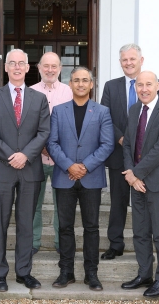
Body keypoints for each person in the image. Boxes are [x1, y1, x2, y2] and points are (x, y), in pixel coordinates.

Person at [0, 49, 50, 292]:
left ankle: (24, 272)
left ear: (28, 67)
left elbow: (44, 132)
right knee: (0, 224)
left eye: (21, 63)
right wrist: (12, 156)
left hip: (30, 170)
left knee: (25, 223)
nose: (17, 67)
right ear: (5, 67)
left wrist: (26, 155)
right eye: (12, 63)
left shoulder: (39, 98)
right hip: (1, 170)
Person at [46, 67, 114, 291]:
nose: (81, 84)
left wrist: (84, 166)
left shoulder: (102, 111)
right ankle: (66, 272)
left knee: (91, 227)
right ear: (70, 84)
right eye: (76, 80)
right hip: (64, 176)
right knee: (65, 227)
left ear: (92, 84)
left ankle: (91, 273)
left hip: (91, 177)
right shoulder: (58, 110)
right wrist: (69, 165)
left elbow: (107, 144)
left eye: (85, 80)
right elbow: (52, 143)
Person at [100, 43, 159, 260]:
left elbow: (158, 119)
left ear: (141, 60)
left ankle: (146, 247)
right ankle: (115, 244)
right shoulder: (111, 86)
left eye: (132, 59)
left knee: (145, 204)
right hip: (119, 154)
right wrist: (123, 139)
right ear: (120, 63)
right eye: (124, 60)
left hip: (147, 159)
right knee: (117, 201)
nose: (128, 63)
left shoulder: (157, 85)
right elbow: (106, 117)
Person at [121, 71, 159, 298]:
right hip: (136, 183)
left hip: (158, 182)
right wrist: (131, 176)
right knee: (140, 232)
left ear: (157, 86)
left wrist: (136, 174)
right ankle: (144, 274)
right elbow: (127, 146)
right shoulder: (134, 110)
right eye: (140, 85)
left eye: (148, 84)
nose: (143, 89)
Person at [30, 52, 73, 255]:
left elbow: (73, 126)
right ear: (39, 68)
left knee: (62, 206)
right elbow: (25, 127)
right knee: (32, 206)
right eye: (46, 66)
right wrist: (41, 146)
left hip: (61, 160)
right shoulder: (29, 92)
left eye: (54, 66)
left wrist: (56, 149)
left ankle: (60, 243)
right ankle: (32, 243)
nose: (49, 70)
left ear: (60, 68)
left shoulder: (69, 92)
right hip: (35, 159)